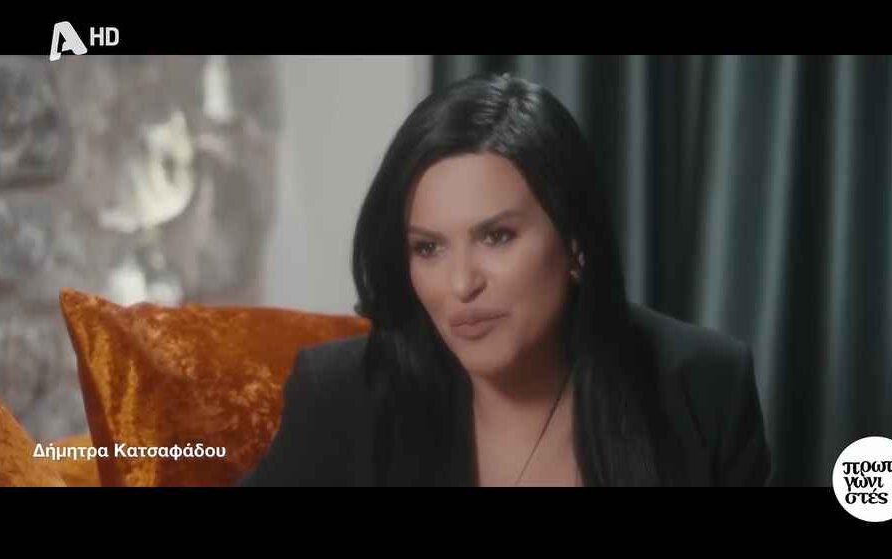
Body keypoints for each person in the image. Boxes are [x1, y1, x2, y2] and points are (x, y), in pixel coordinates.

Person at [240, 73, 772, 487]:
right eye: (428, 248)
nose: (461, 284)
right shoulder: (341, 397)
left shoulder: (704, 387)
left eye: (496, 237)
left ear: (575, 244)